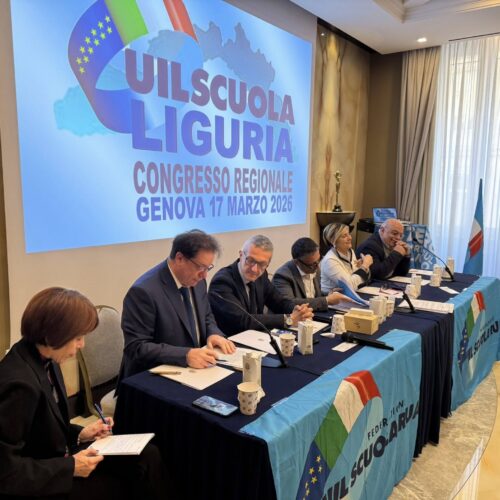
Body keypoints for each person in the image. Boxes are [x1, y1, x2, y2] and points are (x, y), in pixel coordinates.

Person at [0, 287, 166, 499]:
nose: (82, 344)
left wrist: (80, 433)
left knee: (147, 454)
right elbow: (6, 471)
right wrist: (71, 467)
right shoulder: (18, 385)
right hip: (43, 479)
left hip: (58, 459)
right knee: (123, 481)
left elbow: (43, 427)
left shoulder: (46, 357)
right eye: (77, 337)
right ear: (53, 334)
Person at [118, 229, 235, 384]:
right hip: (152, 377)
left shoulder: (198, 281)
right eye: (201, 267)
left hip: (195, 371)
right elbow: (136, 347)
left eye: (208, 268)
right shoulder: (144, 291)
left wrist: (213, 334)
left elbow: (206, 316)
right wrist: (185, 355)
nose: (205, 275)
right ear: (180, 258)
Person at [209, 234, 313, 336]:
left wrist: (298, 310)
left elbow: (278, 301)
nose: (255, 269)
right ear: (241, 255)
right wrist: (288, 319)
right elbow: (242, 320)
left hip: (256, 337)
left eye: (262, 264)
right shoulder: (222, 281)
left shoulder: (261, 275)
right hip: (231, 340)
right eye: (250, 260)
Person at [272, 237, 354, 310]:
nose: (317, 266)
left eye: (319, 260)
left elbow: (314, 296)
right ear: (297, 262)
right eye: (312, 264)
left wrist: (329, 294)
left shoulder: (315, 267)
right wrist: (326, 300)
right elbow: (288, 304)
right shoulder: (282, 276)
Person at [320, 223, 373, 294]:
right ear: (333, 241)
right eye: (344, 236)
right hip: (333, 298)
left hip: (350, 294)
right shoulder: (330, 260)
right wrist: (364, 266)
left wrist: (362, 268)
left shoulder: (350, 251)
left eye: (349, 234)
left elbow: (359, 279)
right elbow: (349, 285)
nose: (350, 238)